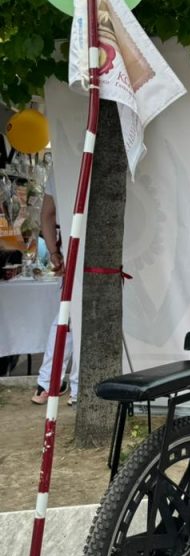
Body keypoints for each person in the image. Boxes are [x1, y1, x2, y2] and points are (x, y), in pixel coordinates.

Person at [32, 171, 77, 406]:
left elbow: (47, 214)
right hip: (81, 245)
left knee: (66, 317)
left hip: (69, 244)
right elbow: (47, 214)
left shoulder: (58, 168)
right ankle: (73, 386)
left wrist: (54, 252)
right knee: (70, 318)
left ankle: (49, 381)